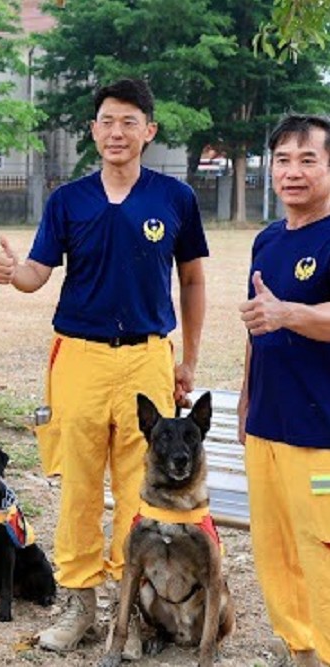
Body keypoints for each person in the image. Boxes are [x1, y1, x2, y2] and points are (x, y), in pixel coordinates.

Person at [0, 78, 207, 654]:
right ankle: (80, 603)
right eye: (107, 121)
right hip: (80, 357)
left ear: (149, 131)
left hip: (145, 358)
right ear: (94, 131)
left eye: (129, 121)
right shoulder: (69, 200)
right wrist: (15, 275)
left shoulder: (174, 198)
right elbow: (39, 272)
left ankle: (129, 609)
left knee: (142, 492)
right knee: (81, 488)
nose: (117, 132)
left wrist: (187, 359)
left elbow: (191, 279)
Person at [238, 113, 330, 667]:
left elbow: (282, 314)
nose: (292, 172)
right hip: (267, 424)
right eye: (282, 160)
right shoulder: (267, 239)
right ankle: (301, 651)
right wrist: (246, 404)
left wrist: (287, 312)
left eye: (308, 159)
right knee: (276, 553)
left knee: (320, 551)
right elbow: (258, 324)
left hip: (321, 432)